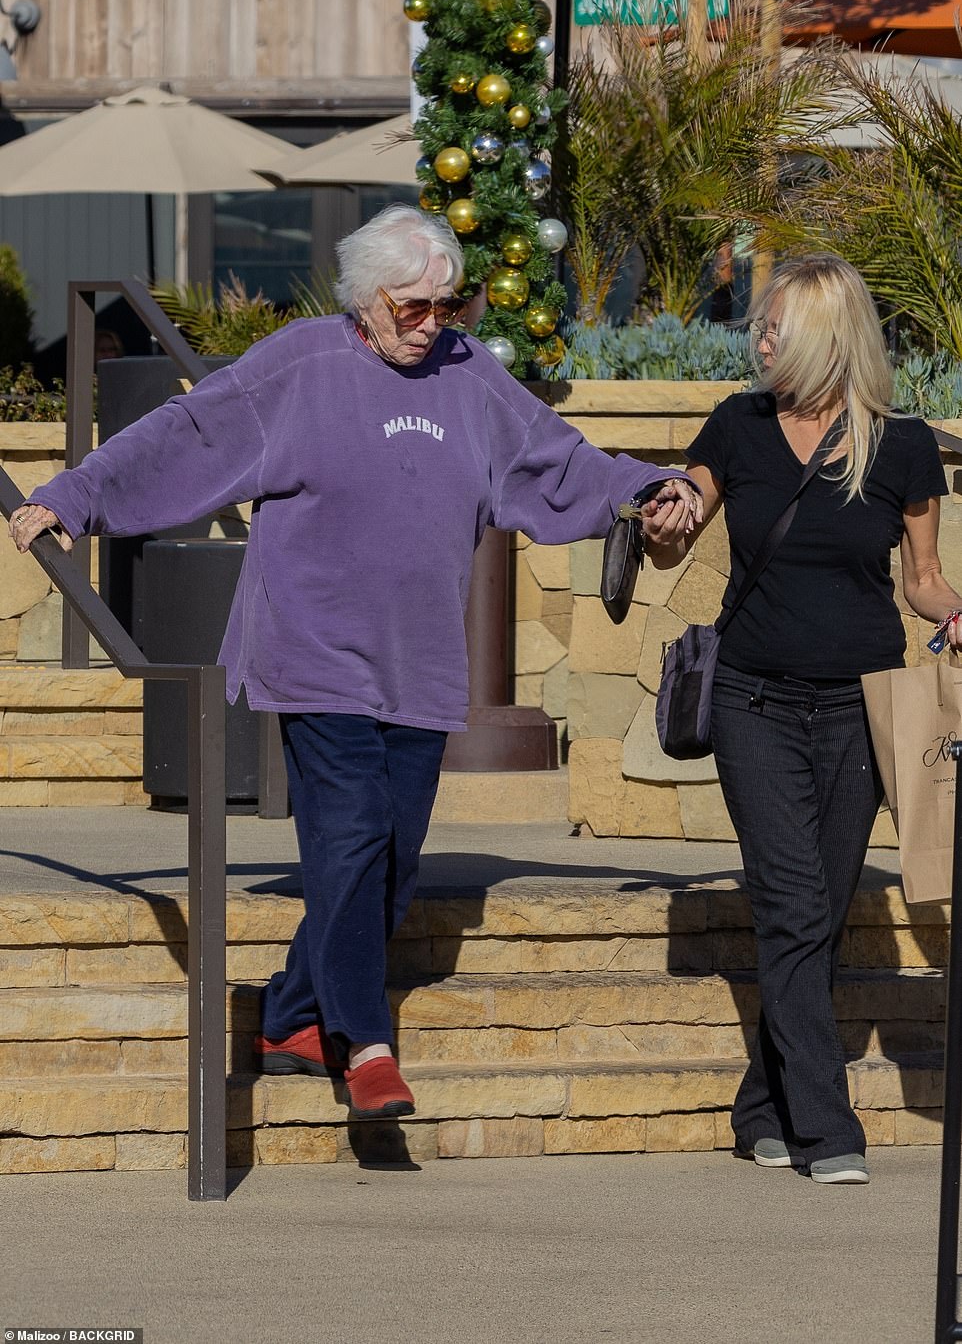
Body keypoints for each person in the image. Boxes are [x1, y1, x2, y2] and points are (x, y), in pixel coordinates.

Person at [10, 204, 701, 1121]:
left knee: (393, 863)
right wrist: (73, 496)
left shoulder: (468, 376)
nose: (430, 324)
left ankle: (293, 1017)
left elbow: (555, 460)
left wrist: (645, 485)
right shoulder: (302, 364)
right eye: (410, 307)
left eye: (446, 306)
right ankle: (365, 1042)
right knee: (349, 838)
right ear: (363, 300)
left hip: (417, 663)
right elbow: (188, 434)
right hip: (312, 650)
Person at [641, 253, 962, 1185]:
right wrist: (667, 518)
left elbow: (924, 579)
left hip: (860, 708)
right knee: (789, 901)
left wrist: (953, 614)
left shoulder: (900, 445)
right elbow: (682, 521)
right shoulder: (737, 427)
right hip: (751, 699)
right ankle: (829, 1127)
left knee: (815, 914)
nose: (760, 337)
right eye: (759, 325)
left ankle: (761, 1106)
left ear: (824, 332)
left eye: (774, 323)